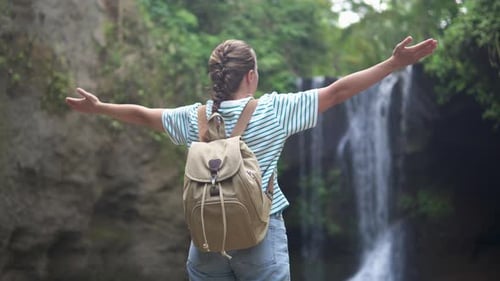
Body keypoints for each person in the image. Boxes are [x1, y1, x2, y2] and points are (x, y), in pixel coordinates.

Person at [65, 36, 437, 280]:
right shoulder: (273, 111)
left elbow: (145, 115)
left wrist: (99, 108)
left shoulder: (195, 118)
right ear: (251, 76)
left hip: (207, 240)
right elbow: (337, 92)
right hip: (260, 234)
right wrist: (392, 63)